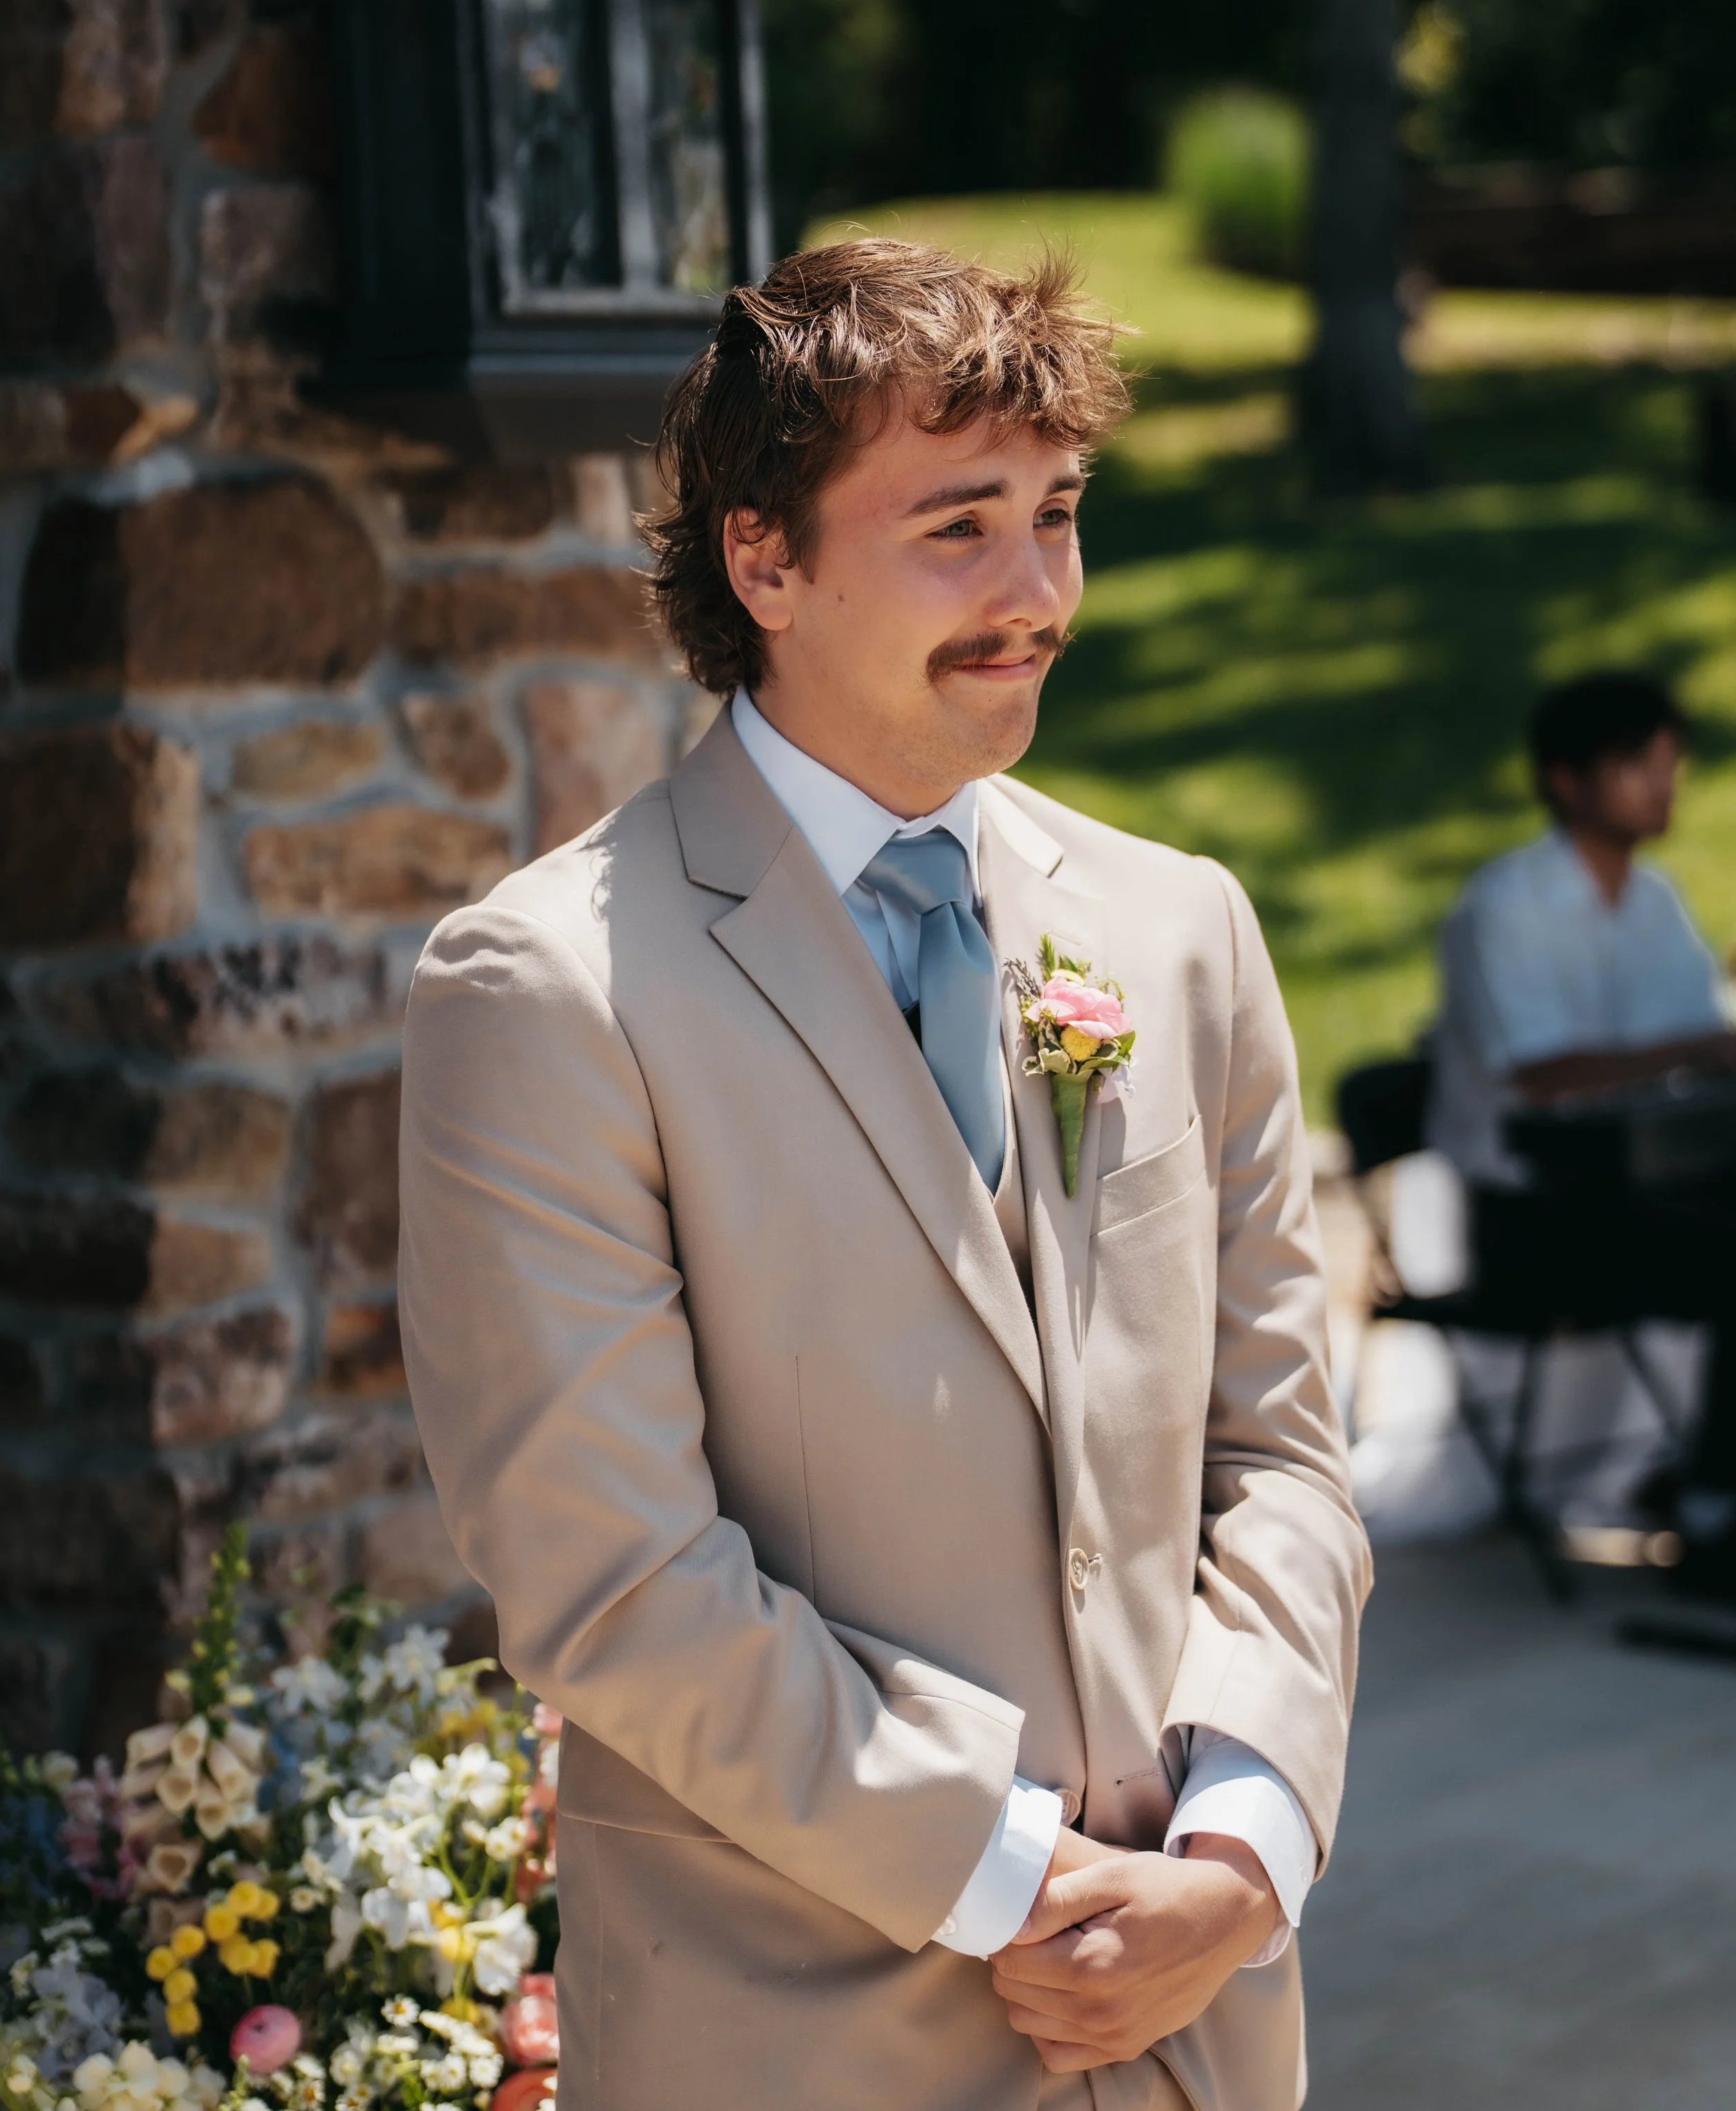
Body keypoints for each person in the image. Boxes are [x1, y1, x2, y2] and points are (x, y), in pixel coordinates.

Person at [398, 240, 1370, 2111]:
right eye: (959, 527)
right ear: (763, 559)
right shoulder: (545, 990)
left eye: (1057, 514)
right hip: (800, 2043)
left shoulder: (1180, 930)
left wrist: (1236, 1862)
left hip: (1202, 2033)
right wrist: (1026, 1881)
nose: (1035, 592)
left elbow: (1281, 1461)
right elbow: (615, 1580)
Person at [1427, 669, 1736, 1580]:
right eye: (1640, 765)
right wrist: (1701, 1053)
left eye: (1669, 766)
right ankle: (1711, 1499)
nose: (1663, 786)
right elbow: (1543, 1075)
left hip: (1640, 1195)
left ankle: (1704, 1476)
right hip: (1531, 1220)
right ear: (1569, 780)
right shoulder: (1506, 906)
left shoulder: (1655, 902)